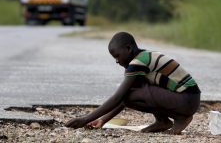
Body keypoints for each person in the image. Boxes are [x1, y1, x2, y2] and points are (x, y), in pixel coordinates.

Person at [65, 31, 201, 134]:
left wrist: (85, 119)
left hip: (187, 99)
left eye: (117, 56)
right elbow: (123, 97)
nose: (117, 61)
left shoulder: (138, 62)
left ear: (129, 49)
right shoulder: (143, 58)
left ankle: (181, 118)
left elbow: (119, 97)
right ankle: (162, 121)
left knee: (130, 94)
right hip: (188, 99)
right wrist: (103, 120)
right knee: (135, 90)